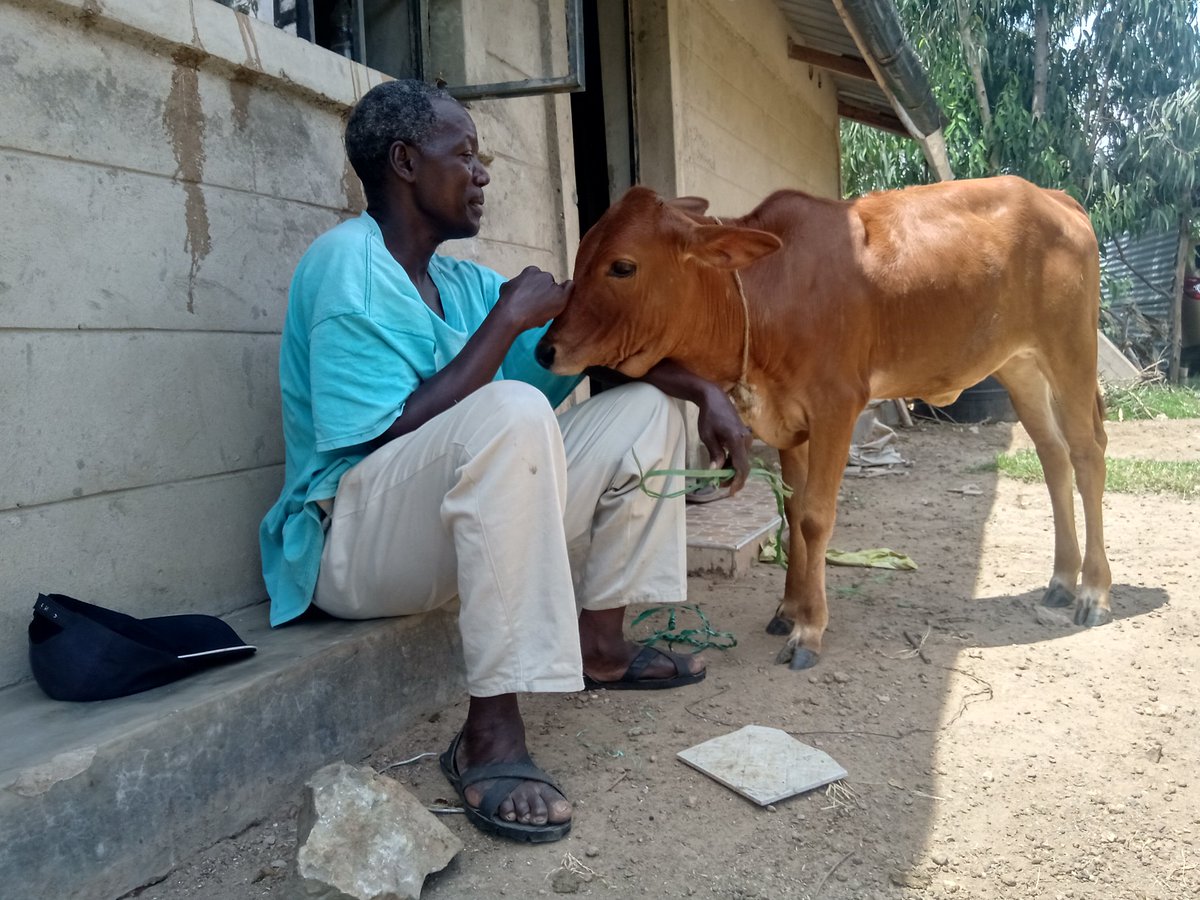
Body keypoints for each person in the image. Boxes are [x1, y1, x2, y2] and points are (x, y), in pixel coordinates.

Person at [259, 79, 752, 843]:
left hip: (443, 530)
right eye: (465, 155)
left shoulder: (459, 280)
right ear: (404, 163)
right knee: (514, 409)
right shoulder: (345, 269)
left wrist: (705, 391)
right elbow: (383, 440)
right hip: (350, 549)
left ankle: (604, 645)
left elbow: (588, 341)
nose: (484, 173)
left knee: (645, 411)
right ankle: (490, 731)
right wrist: (504, 320)